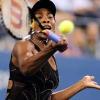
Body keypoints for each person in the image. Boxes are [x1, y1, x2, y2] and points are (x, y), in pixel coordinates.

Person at [6, 0, 100, 100]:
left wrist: (81, 84)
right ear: (31, 24)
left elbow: (48, 98)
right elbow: (26, 69)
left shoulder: (50, 56)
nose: (46, 20)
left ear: (54, 23)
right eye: (39, 17)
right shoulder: (24, 44)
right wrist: (52, 48)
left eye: (50, 17)